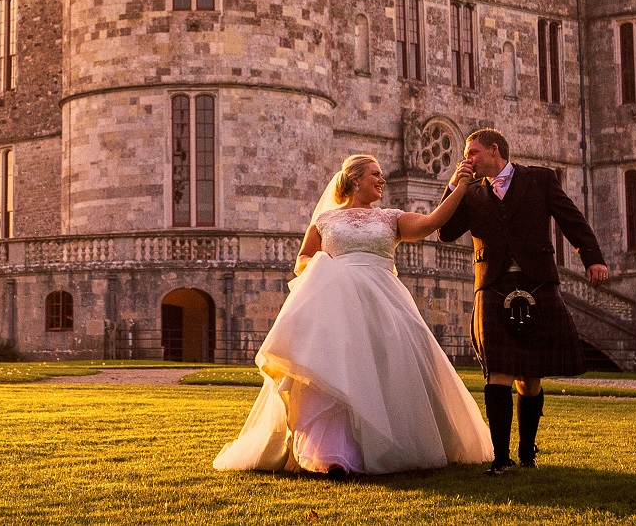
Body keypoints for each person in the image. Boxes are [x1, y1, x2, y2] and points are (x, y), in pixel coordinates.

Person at [213, 154, 494, 476]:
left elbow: (432, 223)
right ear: (355, 179)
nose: (381, 180)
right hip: (337, 302)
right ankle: (332, 454)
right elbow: (303, 257)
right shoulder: (326, 220)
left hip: (383, 299)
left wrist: (459, 186)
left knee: (389, 366)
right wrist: (321, 266)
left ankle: (394, 444)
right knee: (332, 369)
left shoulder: (392, 218)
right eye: (375, 174)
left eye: (382, 175)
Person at [438, 128, 608, 474]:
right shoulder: (469, 192)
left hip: (538, 282)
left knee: (529, 379)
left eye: (472, 153)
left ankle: (527, 452)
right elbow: (445, 231)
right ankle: (501, 459)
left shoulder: (540, 180)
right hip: (491, 284)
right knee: (496, 371)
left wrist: (593, 257)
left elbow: (570, 219)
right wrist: (453, 187)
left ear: (494, 151)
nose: (467, 159)